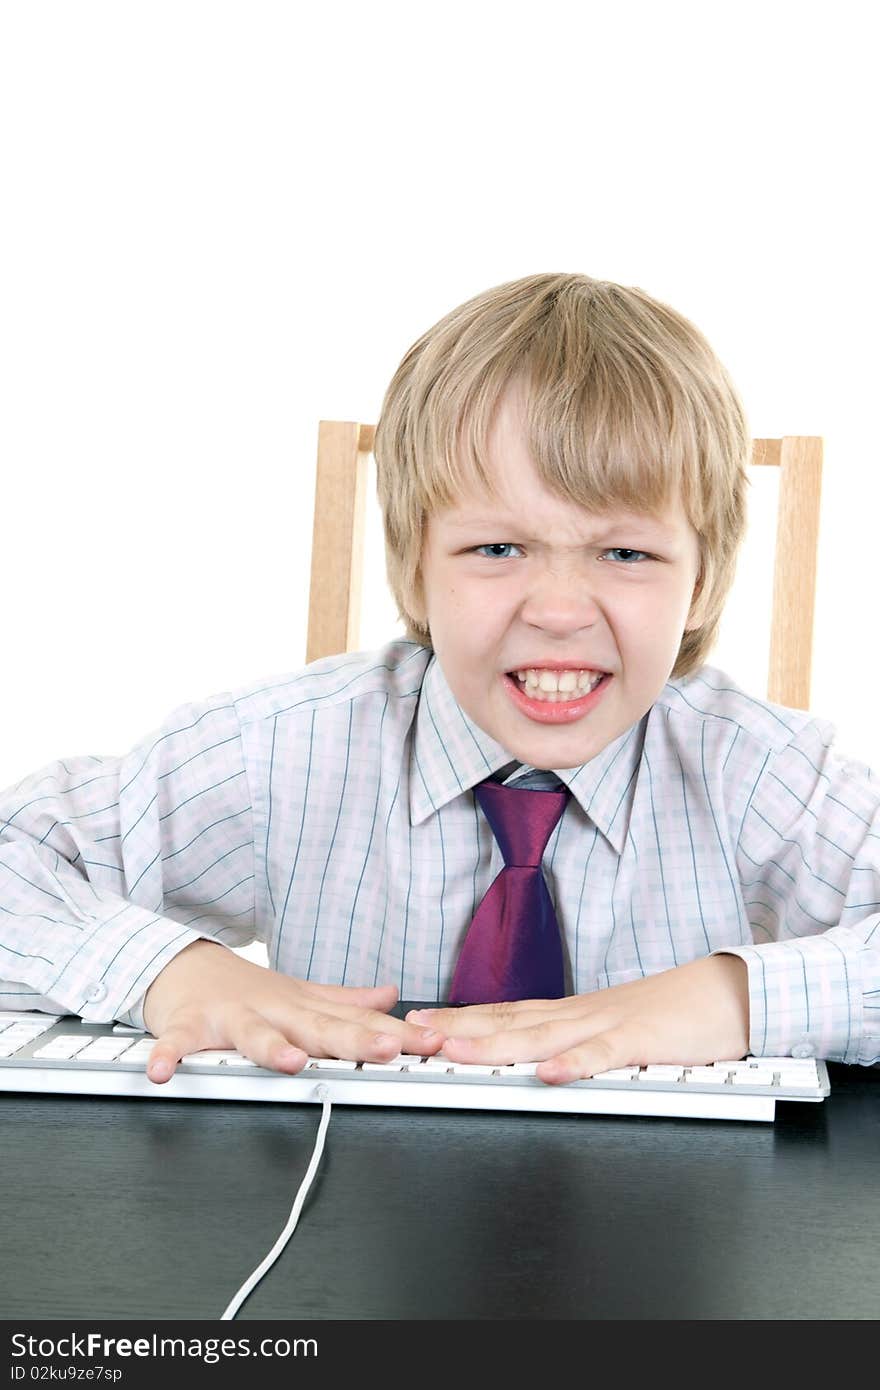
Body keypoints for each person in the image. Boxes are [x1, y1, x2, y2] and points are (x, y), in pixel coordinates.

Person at [1, 272, 877, 1086]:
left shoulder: (761, 773)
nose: (560, 609)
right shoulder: (277, 751)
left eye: (626, 552)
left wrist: (730, 1000)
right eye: (497, 548)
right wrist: (171, 973)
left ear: (706, 580)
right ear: (414, 568)